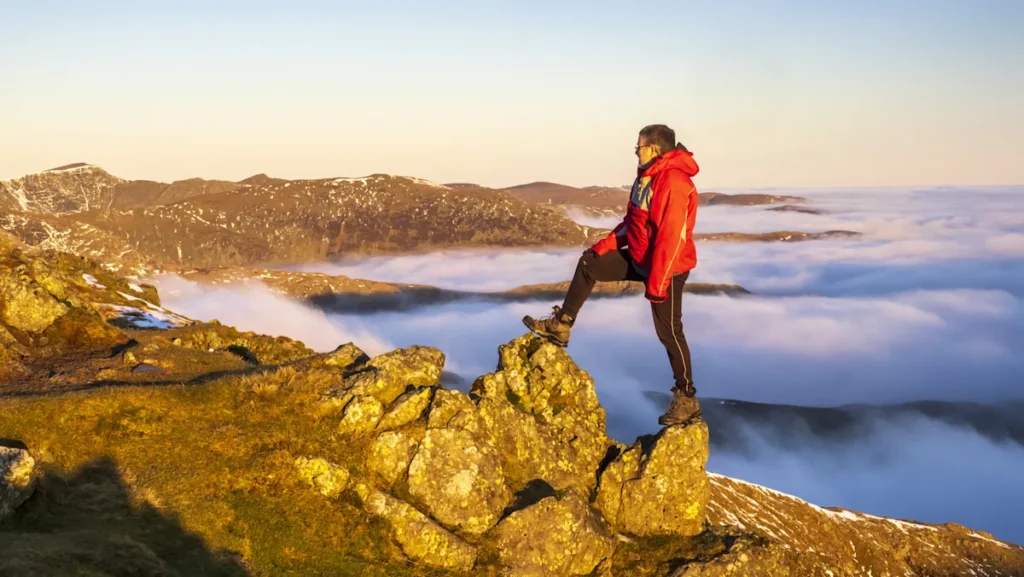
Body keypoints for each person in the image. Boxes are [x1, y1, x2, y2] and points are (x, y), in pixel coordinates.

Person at [523, 124, 701, 426]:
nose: (635, 150)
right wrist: (604, 247)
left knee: (669, 331)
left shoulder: (673, 181)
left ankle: (686, 397)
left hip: (668, 269)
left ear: (654, 148)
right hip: (643, 258)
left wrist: (657, 283)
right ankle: (561, 325)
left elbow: (672, 238)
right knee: (589, 263)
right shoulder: (646, 177)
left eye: (639, 146)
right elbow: (633, 222)